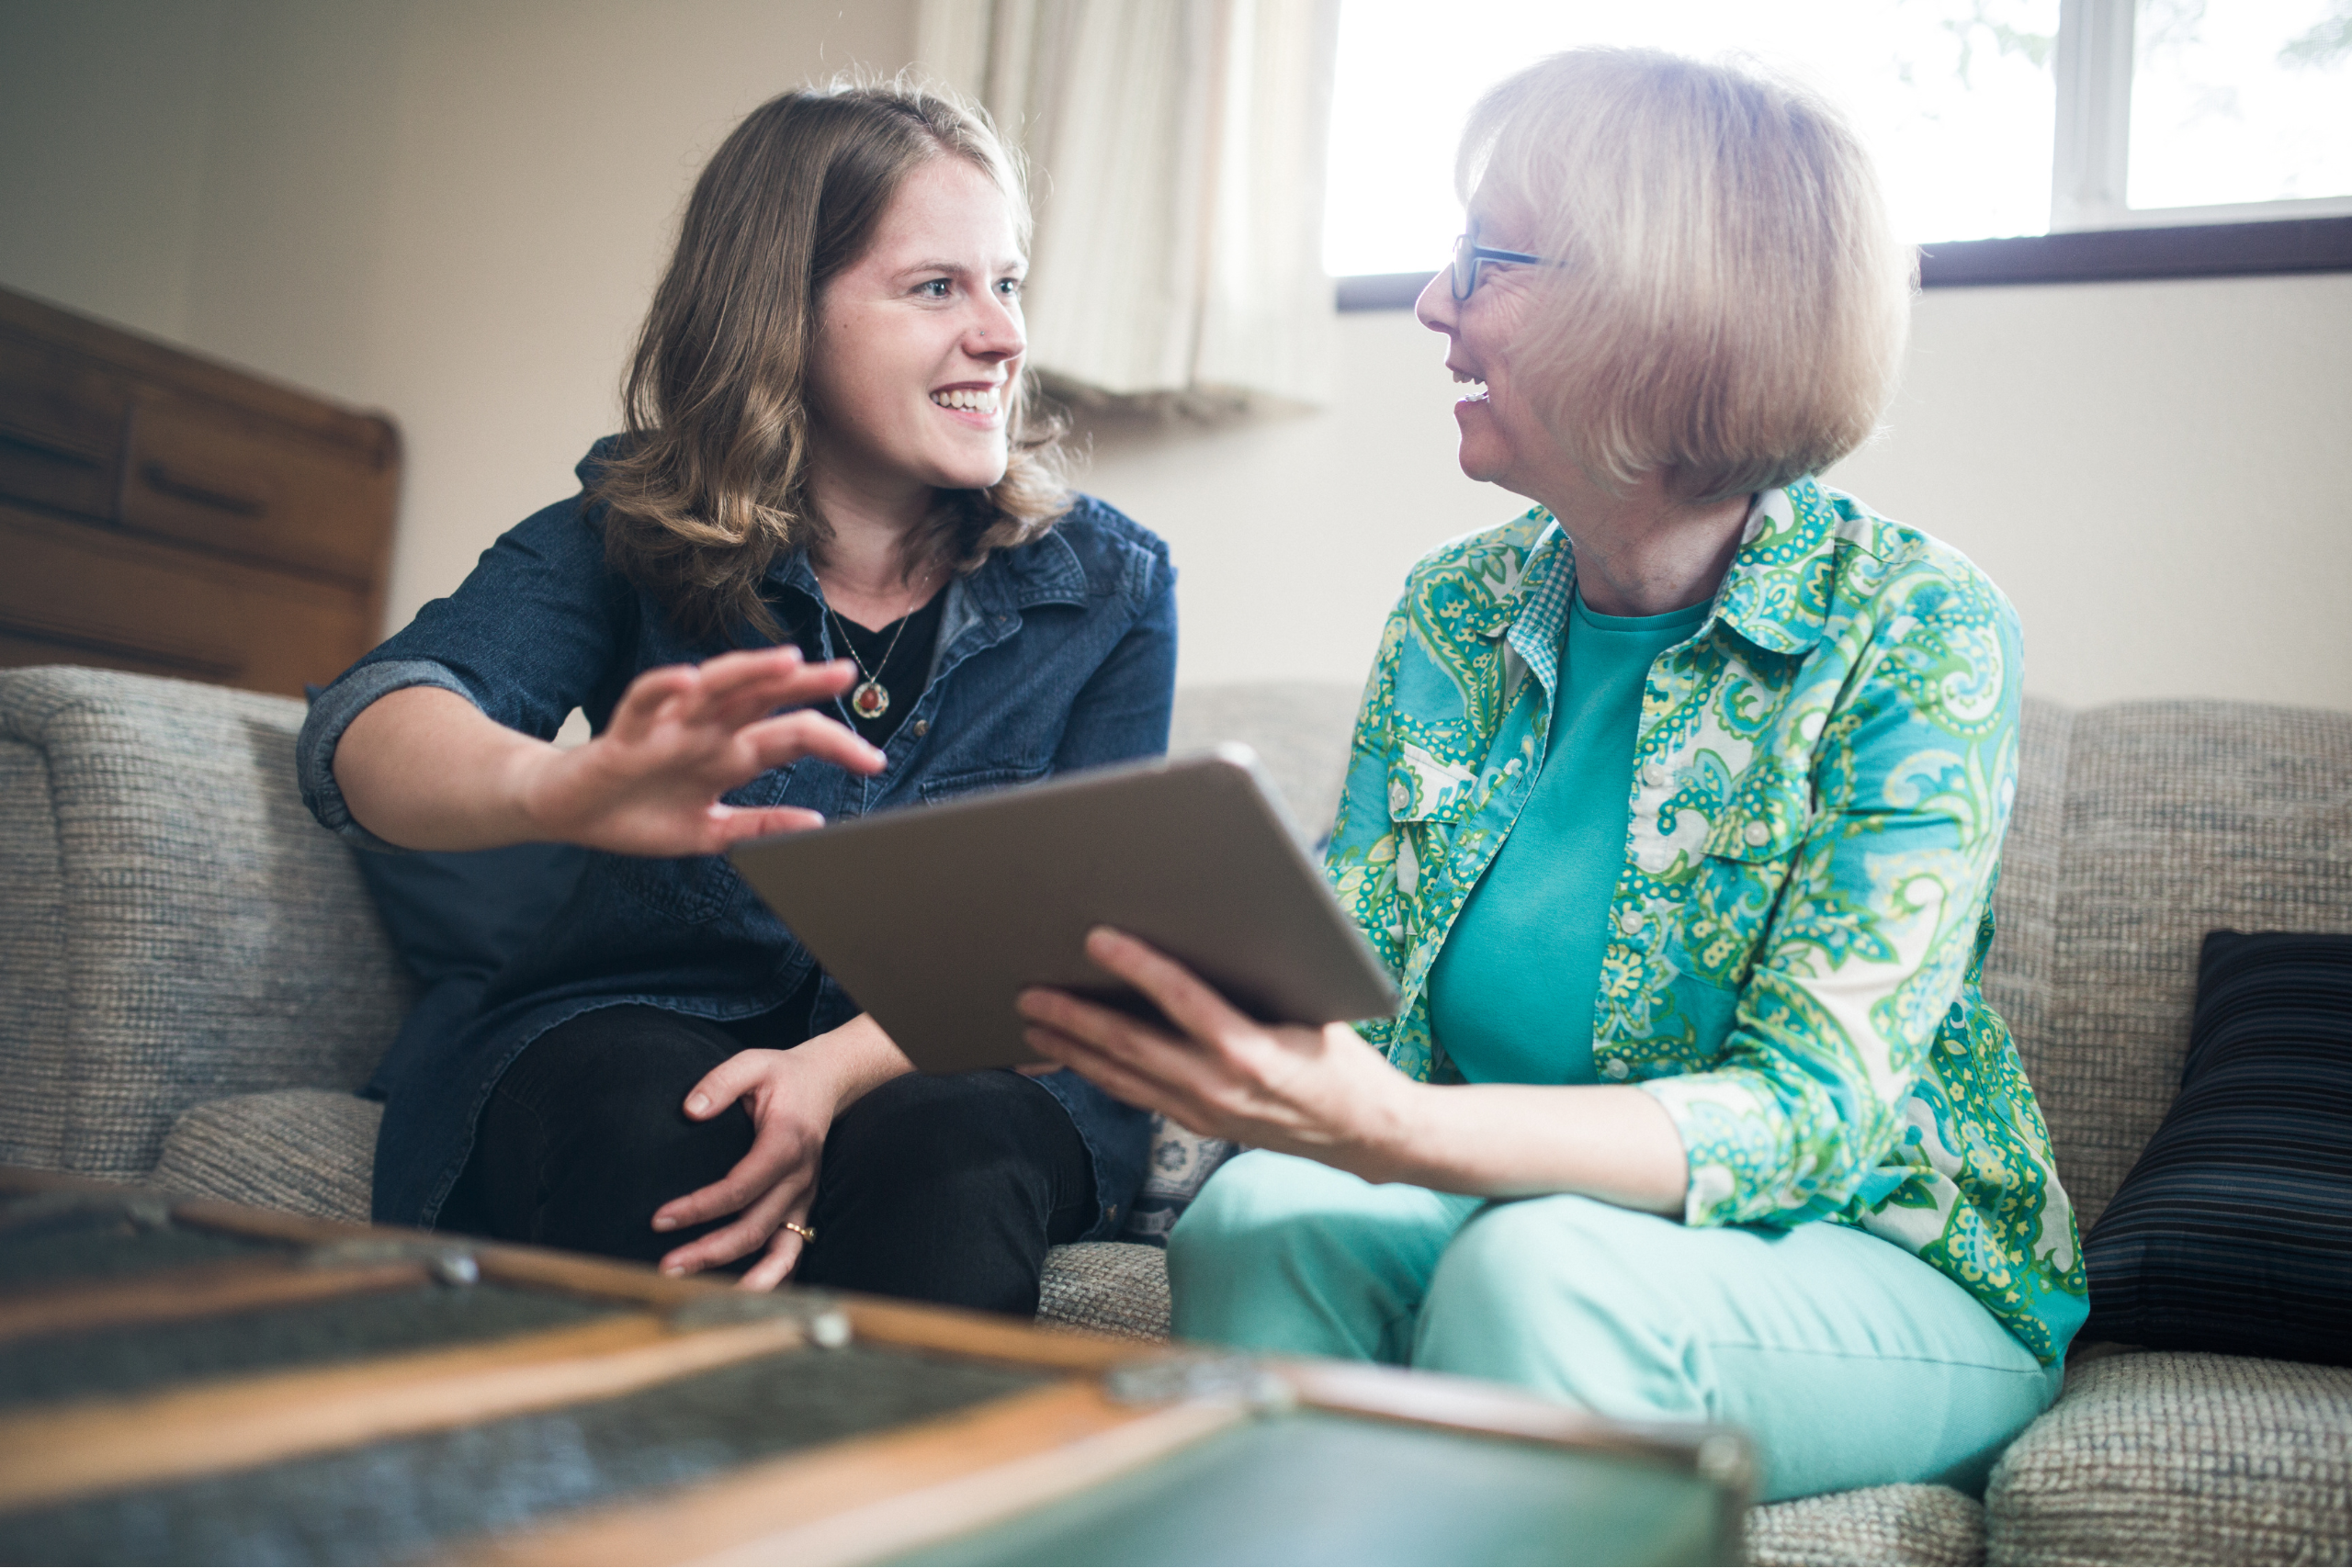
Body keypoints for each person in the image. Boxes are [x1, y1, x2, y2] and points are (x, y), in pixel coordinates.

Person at [1016, 48, 2086, 1501]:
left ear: (1657, 308)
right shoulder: (1453, 616)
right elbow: (1365, 1026)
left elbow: (1814, 1111)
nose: (1434, 303)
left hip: (1873, 1251)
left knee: (1548, 1273)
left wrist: (1399, 1133)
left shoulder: (1913, 628)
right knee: (1258, 1215)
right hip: (1520, 1211)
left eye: (1485, 260)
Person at [297, 80, 1177, 1314]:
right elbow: (368, 725)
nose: (1002, 336)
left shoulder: (1109, 589)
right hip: (641, 1018)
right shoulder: (627, 531)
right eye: (938, 287)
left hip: (964, 1055)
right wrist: (557, 782)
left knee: (951, 1148)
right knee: (655, 1124)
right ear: (785, 313)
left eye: (1008, 283)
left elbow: (1081, 940)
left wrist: (834, 1070)